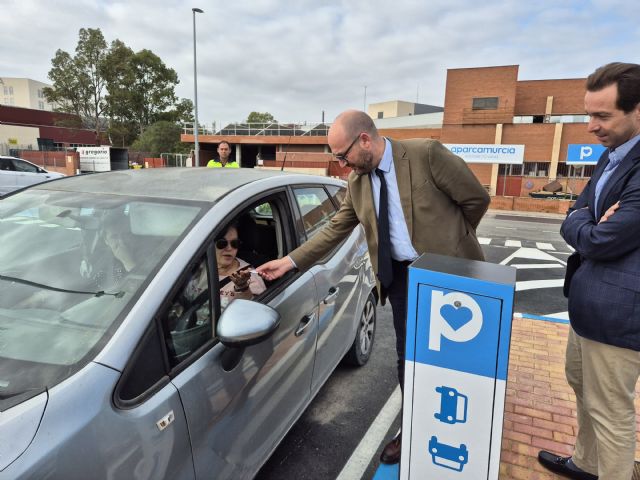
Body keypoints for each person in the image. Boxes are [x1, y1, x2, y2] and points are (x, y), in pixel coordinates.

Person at [256, 109, 490, 464]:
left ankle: (457, 429)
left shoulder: (426, 154)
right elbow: (335, 228)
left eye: (342, 155)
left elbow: (475, 199)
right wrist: (290, 262)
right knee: (408, 357)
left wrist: (453, 245)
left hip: (447, 275)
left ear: (364, 140)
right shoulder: (357, 183)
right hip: (399, 278)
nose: (341, 164)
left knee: (454, 358)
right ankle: (413, 427)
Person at [538, 63, 640, 480]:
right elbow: (575, 213)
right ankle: (587, 464)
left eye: (602, 116)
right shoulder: (611, 156)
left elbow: (601, 240)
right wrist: (586, 220)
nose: (589, 126)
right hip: (588, 307)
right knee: (583, 389)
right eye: (588, 113)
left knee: (611, 412)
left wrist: (585, 224)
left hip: (618, 316)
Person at [215, 223, 266, 309]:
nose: (229, 248)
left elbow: (254, 311)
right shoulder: (198, 268)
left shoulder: (250, 277)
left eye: (235, 243)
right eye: (222, 243)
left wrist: (243, 288)